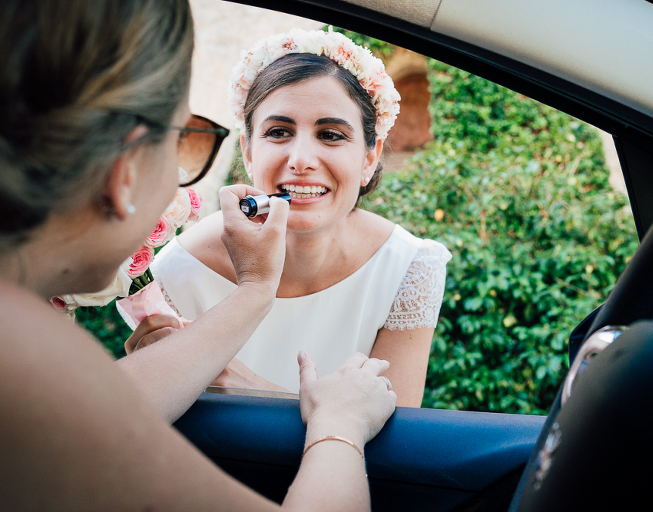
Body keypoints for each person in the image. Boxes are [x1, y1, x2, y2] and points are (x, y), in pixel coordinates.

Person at [0, 1, 396, 510]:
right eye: (184, 140)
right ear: (125, 171)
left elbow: (120, 400)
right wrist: (337, 425)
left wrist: (255, 290)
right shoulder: (26, 359)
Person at [141, 29, 452, 406]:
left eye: (332, 135)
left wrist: (257, 393)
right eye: (278, 131)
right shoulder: (179, 269)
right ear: (249, 150)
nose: (301, 159)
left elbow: (396, 452)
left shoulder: (409, 268)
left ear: (370, 157)